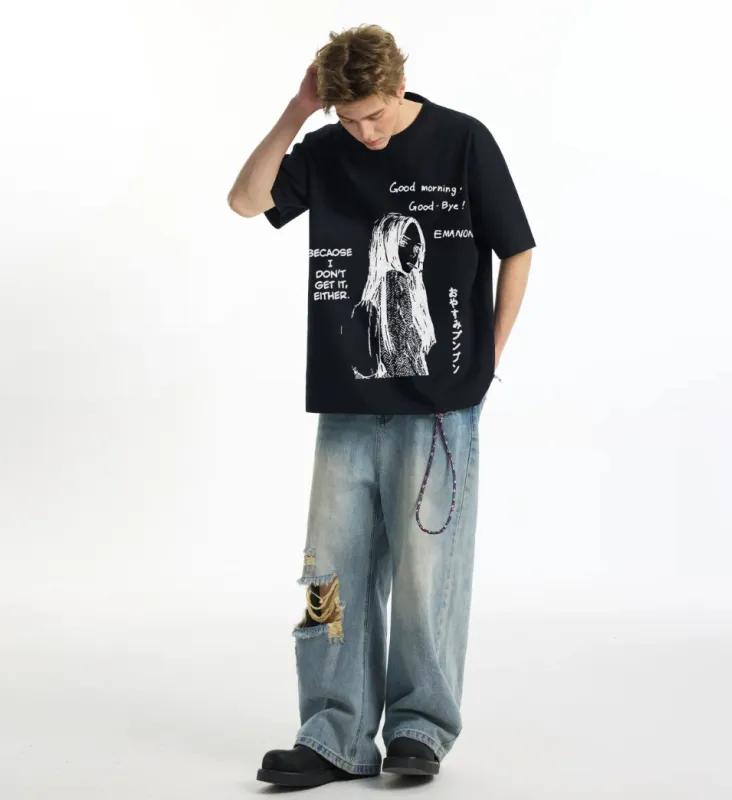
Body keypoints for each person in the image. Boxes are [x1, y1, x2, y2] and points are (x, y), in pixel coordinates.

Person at [227, 23, 536, 788]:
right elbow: (244, 200)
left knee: (430, 573)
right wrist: (300, 111)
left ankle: (419, 729)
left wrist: (488, 360)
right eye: (349, 118)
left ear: (399, 87)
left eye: (373, 115)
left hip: (439, 407)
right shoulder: (328, 146)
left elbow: (517, 248)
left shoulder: (463, 141)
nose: (364, 133)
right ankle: (332, 733)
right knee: (327, 573)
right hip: (347, 405)